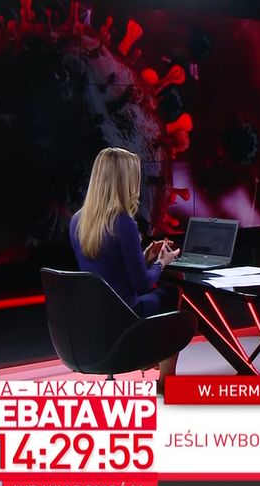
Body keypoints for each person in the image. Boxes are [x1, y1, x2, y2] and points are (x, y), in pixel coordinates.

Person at [69, 146, 181, 387]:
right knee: (170, 294)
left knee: (160, 297)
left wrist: (144, 256)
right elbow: (142, 285)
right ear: (125, 181)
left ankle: (148, 357)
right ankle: (160, 372)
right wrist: (161, 262)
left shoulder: (78, 220)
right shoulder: (123, 223)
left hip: (94, 318)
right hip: (125, 316)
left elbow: (107, 267)